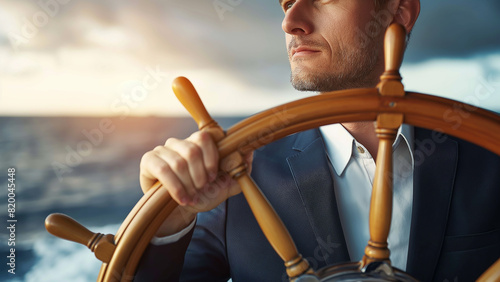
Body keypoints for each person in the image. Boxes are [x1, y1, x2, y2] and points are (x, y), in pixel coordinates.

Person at [134, 0, 500, 281]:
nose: (290, 22)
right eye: (287, 2)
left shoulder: (491, 159)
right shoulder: (235, 177)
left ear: (400, 11)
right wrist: (170, 219)